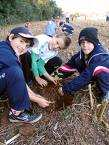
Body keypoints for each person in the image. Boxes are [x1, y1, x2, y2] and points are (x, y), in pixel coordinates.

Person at [0, 27, 50, 123]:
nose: (23, 47)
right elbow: (15, 75)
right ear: (11, 37)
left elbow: (19, 80)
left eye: (27, 46)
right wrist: (37, 100)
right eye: (21, 41)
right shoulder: (4, 51)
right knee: (14, 72)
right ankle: (16, 114)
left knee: (15, 72)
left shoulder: (10, 51)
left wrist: (34, 94)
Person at [58, 27, 109, 103]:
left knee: (103, 87)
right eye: (82, 42)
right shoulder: (83, 53)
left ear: (94, 43)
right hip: (91, 74)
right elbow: (70, 65)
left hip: (105, 79)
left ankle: (106, 93)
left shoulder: (100, 58)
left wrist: (65, 89)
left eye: (88, 42)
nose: (85, 45)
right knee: (78, 61)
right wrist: (57, 75)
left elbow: (85, 77)